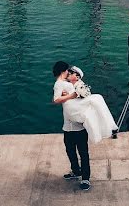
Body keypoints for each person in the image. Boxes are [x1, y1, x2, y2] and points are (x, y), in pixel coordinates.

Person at [52, 61, 91, 192]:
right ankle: (76, 171)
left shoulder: (70, 84)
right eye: (67, 70)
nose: (69, 72)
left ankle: (85, 178)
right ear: (63, 71)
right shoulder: (60, 84)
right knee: (71, 151)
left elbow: (81, 97)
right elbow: (56, 100)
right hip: (68, 126)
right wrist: (71, 96)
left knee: (83, 152)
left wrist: (70, 95)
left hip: (78, 126)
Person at [63, 66, 118, 144]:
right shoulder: (66, 84)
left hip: (79, 106)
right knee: (97, 98)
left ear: (77, 77)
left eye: (71, 73)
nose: (69, 74)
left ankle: (109, 128)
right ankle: (110, 128)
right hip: (74, 107)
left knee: (96, 101)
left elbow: (85, 95)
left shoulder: (80, 85)